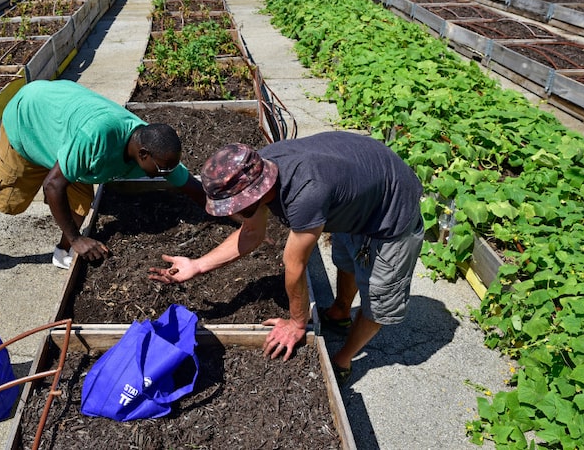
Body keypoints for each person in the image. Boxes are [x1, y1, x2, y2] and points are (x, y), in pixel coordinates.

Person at [149, 132, 424, 386]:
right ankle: (340, 312)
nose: (234, 211)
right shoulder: (259, 168)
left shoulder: (305, 194)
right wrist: (197, 265)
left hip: (392, 209)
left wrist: (296, 323)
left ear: (253, 192)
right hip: (361, 189)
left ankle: (343, 358)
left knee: (379, 300)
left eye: (234, 205)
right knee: (349, 258)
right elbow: (252, 233)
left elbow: (294, 266)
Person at [0, 80, 205, 279]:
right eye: (161, 170)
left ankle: (60, 250)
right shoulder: (96, 138)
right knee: (4, 196)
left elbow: (188, 184)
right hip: (29, 120)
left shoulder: (151, 144)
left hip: (63, 133)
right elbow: (52, 185)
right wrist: (78, 239)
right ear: (142, 154)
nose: (164, 176)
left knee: (79, 202)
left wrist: (232, 213)